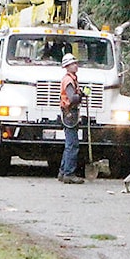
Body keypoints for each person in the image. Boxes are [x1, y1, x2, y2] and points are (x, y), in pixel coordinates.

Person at [58, 53, 84, 184]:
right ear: (67, 66)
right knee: (72, 145)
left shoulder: (71, 79)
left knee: (69, 143)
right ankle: (69, 173)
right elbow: (72, 98)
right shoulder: (68, 80)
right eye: (73, 64)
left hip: (69, 113)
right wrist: (80, 96)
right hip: (69, 113)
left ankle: (63, 172)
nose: (76, 65)